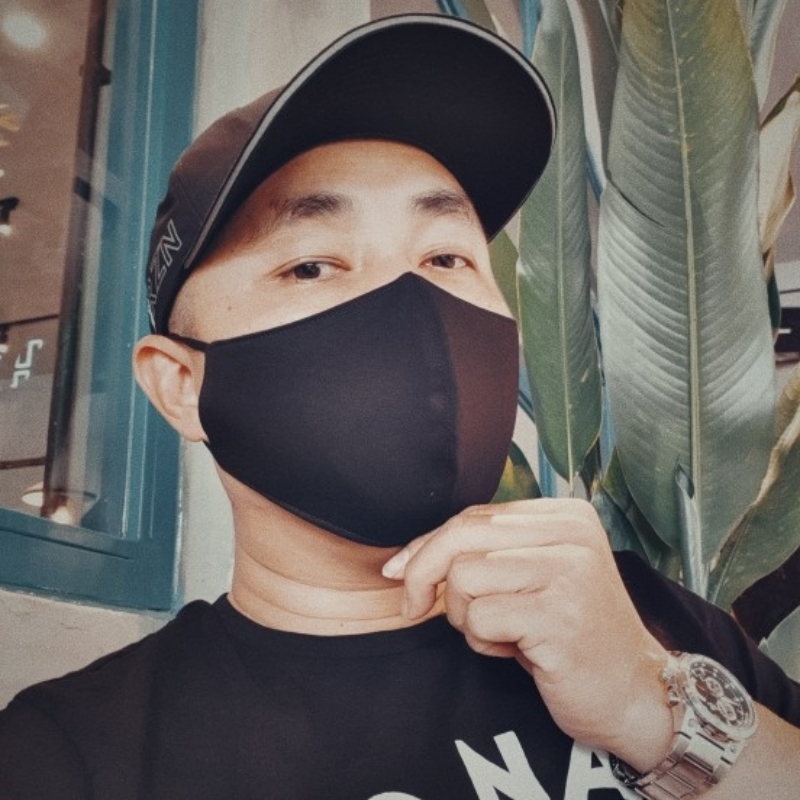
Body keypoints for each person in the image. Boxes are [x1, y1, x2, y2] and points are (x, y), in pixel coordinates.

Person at [1, 14, 798, 800]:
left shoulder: (641, 617)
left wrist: (652, 708)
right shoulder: (68, 754)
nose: (414, 301)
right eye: (312, 265)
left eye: (446, 256)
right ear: (181, 384)